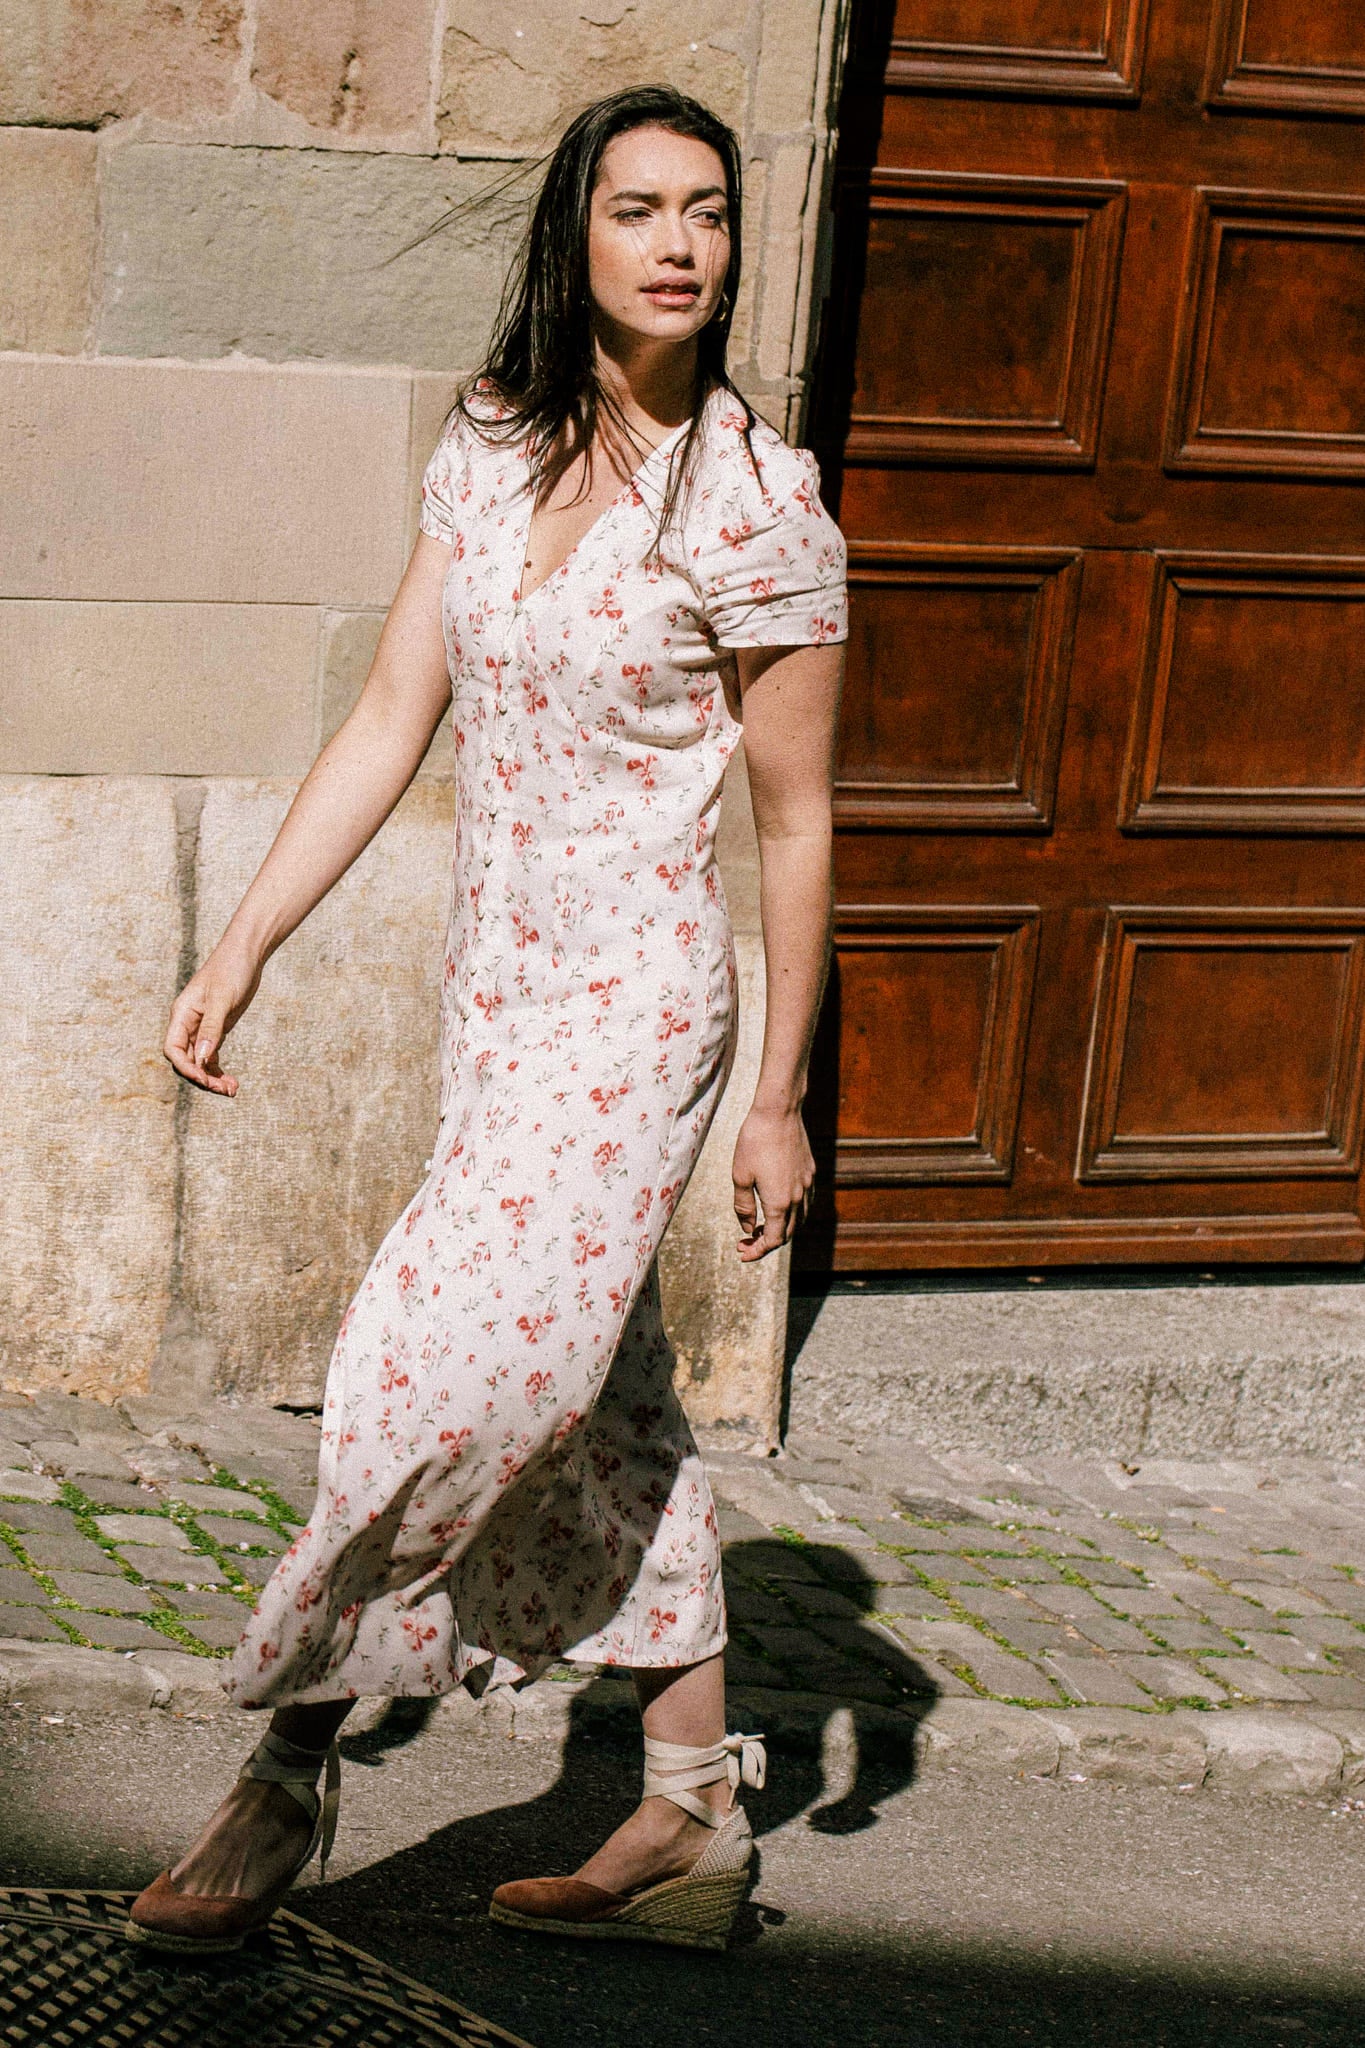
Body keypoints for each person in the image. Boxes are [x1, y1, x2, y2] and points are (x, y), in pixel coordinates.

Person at [128, 82, 846, 1956]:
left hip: (635, 1017)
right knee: (607, 1403)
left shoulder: (760, 506)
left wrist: (774, 1094)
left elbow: (797, 816)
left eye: (706, 211)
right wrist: (248, 938)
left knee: (432, 1375)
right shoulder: (493, 441)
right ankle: (689, 1817)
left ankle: (285, 1768)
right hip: (500, 999)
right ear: (574, 235)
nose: (679, 243)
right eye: (638, 210)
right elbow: (391, 710)